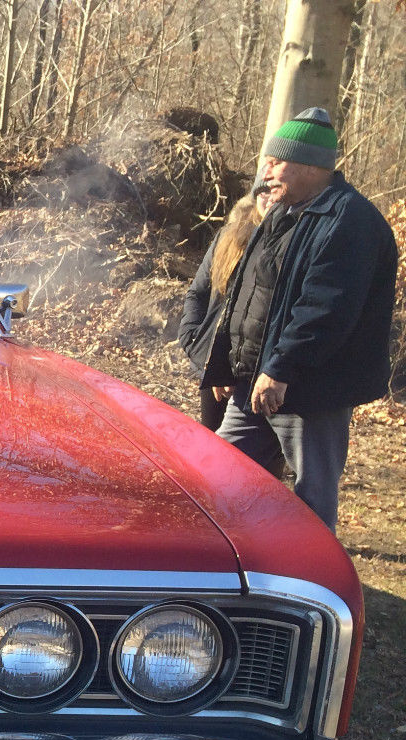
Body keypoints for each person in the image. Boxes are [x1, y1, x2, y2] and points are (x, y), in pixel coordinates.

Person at [203, 107, 398, 531]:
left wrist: (281, 368)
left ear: (310, 165)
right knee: (212, 479)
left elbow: (325, 308)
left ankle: (313, 589)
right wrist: (226, 363)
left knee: (312, 499)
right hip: (253, 382)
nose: (266, 169)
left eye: (276, 161)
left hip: (311, 392)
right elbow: (247, 295)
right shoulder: (281, 213)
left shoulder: (350, 222)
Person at [179, 180, 273, 430]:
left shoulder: (289, 243)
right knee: (214, 453)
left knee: (259, 464)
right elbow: (198, 294)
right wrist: (197, 344)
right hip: (216, 371)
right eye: (263, 190)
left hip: (260, 377)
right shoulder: (228, 236)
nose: (270, 196)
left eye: (276, 190)